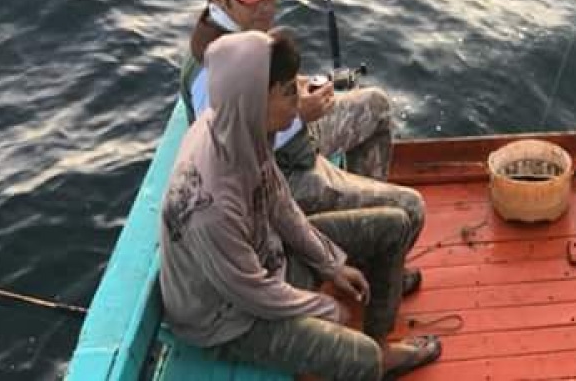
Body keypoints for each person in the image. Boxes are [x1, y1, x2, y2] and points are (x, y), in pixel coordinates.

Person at [160, 29, 441, 380]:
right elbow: (253, 293)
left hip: (268, 260)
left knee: (395, 224)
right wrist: (324, 307)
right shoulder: (210, 204)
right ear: (256, 98)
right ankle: (376, 359)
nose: (297, 100)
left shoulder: (245, 126)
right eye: (288, 92)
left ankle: (380, 341)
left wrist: (330, 264)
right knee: (361, 357)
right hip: (229, 318)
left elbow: (279, 202)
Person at [178, 0, 425, 291]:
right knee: (411, 208)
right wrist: (300, 112)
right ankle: (374, 258)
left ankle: (365, 241)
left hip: (294, 137)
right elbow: (230, 151)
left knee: (377, 107)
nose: (267, 8)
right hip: (281, 170)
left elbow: (261, 95)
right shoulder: (211, 70)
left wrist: (298, 88)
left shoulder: (241, 33)